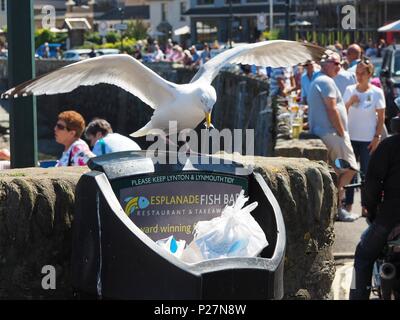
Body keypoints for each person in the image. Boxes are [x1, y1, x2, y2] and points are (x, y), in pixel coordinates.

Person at [307, 52, 359, 222]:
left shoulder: (319, 80)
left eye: (340, 63)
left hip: (327, 133)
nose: (339, 67)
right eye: (335, 63)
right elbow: (331, 109)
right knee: (350, 168)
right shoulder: (326, 81)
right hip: (333, 133)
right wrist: (342, 131)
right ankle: (337, 206)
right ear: (325, 64)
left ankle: (336, 206)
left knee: (337, 171)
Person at [349, 129, 400, 300]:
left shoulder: (389, 145)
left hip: (390, 218)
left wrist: (371, 208)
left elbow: (372, 183)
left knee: (363, 254)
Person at [343, 57, 386, 217]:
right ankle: (348, 205)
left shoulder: (376, 92)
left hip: (368, 139)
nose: (359, 76)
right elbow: (341, 112)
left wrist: (377, 137)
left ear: (369, 74)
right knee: (350, 172)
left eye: (362, 73)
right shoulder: (349, 90)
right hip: (350, 137)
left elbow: (381, 117)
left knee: (367, 174)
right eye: (357, 73)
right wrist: (349, 102)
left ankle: (365, 206)